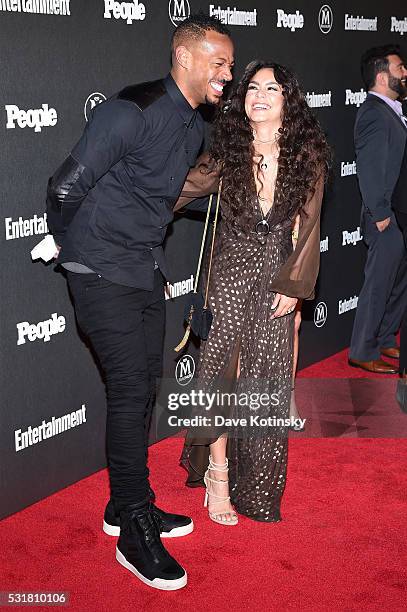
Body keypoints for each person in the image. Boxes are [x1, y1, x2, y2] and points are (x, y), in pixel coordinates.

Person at [46, 14, 234, 590]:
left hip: (143, 268)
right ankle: (133, 527)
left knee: (142, 386)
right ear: (184, 58)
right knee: (130, 391)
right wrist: (78, 251)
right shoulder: (133, 110)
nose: (228, 73)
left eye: (231, 63)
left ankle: (124, 503)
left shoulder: (193, 127)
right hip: (102, 269)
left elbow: (162, 194)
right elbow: (64, 187)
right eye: (219, 62)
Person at [175, 60, 330, 525]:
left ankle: (256, 482)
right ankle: (218, 474)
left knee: (263, 379)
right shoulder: (227, 150)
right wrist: (125, 203)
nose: (259, 94)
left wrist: (295, 287)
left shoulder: (308, 156)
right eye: (252, 87)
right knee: (222, 370)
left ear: (288, 100)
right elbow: (178, 191)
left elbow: (310, 224)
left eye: (272, 88)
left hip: (277, 276)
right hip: (230, 271)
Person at [349, 45, 407, 374]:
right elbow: (370, 168)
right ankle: (362, 349)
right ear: (383, 76)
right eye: (400, 68)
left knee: (398, 283)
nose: (405, 73)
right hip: (384, 216)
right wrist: (380, 212)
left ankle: (386, 338)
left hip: (398, 215)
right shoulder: (373, 112)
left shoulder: (393, 109)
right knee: (379, 283)